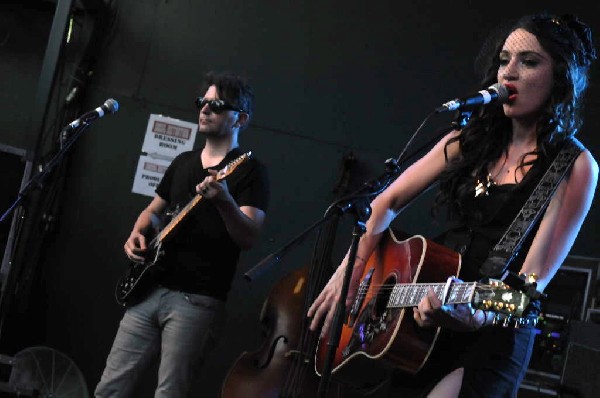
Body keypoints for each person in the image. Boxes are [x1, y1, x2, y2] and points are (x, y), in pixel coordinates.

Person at [308, 12, 597, 398]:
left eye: (528, 62)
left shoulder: (573, 166)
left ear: (560, 77)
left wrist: (476, 316)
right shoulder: (472, 138)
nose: (508, 73)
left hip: (493, 331)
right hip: (425, 323)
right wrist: (350, 272)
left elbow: (528, 287)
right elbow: (386, 200)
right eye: (504, 60)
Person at [95, 71, 270, 397]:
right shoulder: (183, 161)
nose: (204, 109)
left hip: (197, 301)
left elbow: (248, 237)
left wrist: (226, 201)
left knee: (170, 393)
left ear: (240, 119)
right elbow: (152, 211)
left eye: (216, 105)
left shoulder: (249, 171)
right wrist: (137, 232)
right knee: (109, 389)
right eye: (202, 102)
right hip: (147, 290)